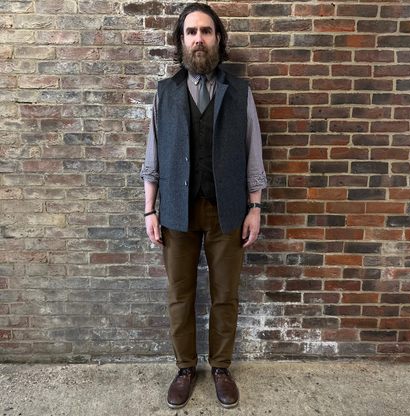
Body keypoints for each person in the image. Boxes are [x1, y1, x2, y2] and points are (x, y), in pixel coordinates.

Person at [140, 2, 267, 409]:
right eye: (191, 32)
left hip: (227, 210)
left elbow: (254, 154)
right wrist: (150, 210)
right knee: (180, 295)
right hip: (176, 211)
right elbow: (152, 158)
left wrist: (255, 206)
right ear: (181, 41)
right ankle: (184, 368)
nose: (199, 39)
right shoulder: (165, 92)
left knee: (225, 294)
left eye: (206, 31)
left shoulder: (240, 92)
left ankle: (221, 367)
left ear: (218, 39)